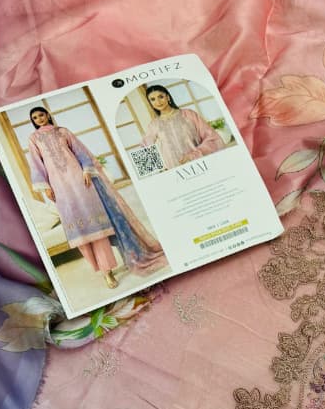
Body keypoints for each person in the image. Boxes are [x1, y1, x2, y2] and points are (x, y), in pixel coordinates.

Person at [26, 107, 165, 290]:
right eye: (35, 117)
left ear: (47, 115)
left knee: (97, 229)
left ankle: (107, 272)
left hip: (81, 182)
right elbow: (36, 164)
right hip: (60, 188)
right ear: (33, 121)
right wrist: (46, 187)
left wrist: (86, 170)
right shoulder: (34, 139)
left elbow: (80, 152)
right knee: (80, 233)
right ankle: (100, 269)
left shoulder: (63, 132)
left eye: (41, 115)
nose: (39, 119)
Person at [141, 85, 226, 169]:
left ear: (168, 97)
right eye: (153, 99)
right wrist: (159, 169)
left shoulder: (188, 114)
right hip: (175, 169)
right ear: (150, 103)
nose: (158, 102)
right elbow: (145, 148)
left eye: (161, 97)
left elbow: (212, 138)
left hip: (200, 164)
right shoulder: (154, 125)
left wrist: (192, 156)